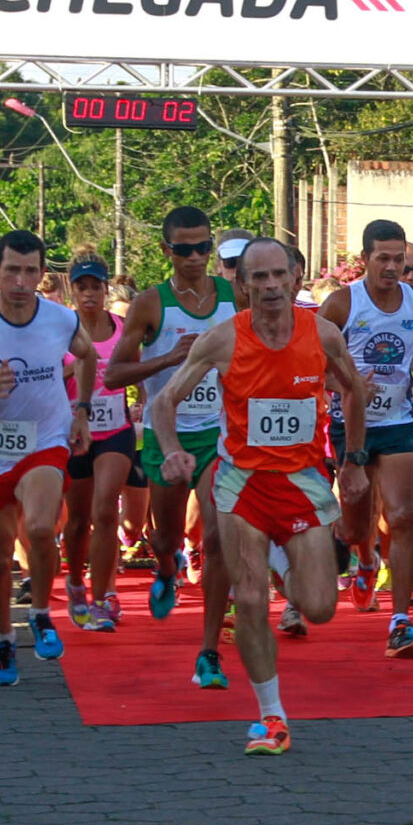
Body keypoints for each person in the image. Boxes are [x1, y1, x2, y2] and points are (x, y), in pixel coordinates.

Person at [153, 239, 368, 756]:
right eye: (259, 278)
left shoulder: (323, 334)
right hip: (241, 481)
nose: (271, 286)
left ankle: (281, 559)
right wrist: (172, 451)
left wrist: (355, 459)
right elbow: (164, 400)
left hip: (303, 480)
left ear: (295, 277)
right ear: (243, 286)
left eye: (279, 276)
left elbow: (354, 390)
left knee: (318, 608)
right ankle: (271, 716)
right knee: (249, 600)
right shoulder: (223, 339)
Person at [0, 230, 101, 688]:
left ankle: (42, 613)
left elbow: (87, 357)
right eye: (12, 271)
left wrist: (81, 410)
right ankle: (4, 639)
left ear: (42, 275)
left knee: (44, 527)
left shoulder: (60, 319)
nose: (21, 281)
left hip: (46, 440)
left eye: (31, 272)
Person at [104, 207, 241, 690]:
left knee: (219, 536)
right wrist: (170, 358)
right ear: (167, 251)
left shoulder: (233, 295)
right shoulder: (150, 304)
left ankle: (209, 650)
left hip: (219, 436)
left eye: (203, 247)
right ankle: (165, 565)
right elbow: (113, 374)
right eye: (184, 249)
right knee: (163, 537)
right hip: (167, 436)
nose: (195, 257)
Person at [319, 219, 413, 657]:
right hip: (351, 426)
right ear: (365, 259)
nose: (391, 267)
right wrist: (345, 385)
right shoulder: (340, 306)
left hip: (399, 422)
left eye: (398, 259)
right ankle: (365, 561)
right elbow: (314, 367)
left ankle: (400, 621)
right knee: (354, 526)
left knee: (403, 516)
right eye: (382, 258)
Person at [61, 258, 133, 633]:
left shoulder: (122, 329)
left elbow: (139, 368)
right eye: (82, 287)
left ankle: (104, 594)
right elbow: (44, 381)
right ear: (71, 290)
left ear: (106, 290)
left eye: (96, 287)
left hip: (116, 430)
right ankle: (76, 582)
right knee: (77, 522)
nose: (89, 294)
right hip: (74, 433)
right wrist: (71, 370)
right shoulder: (61, 331)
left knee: (105, 509)